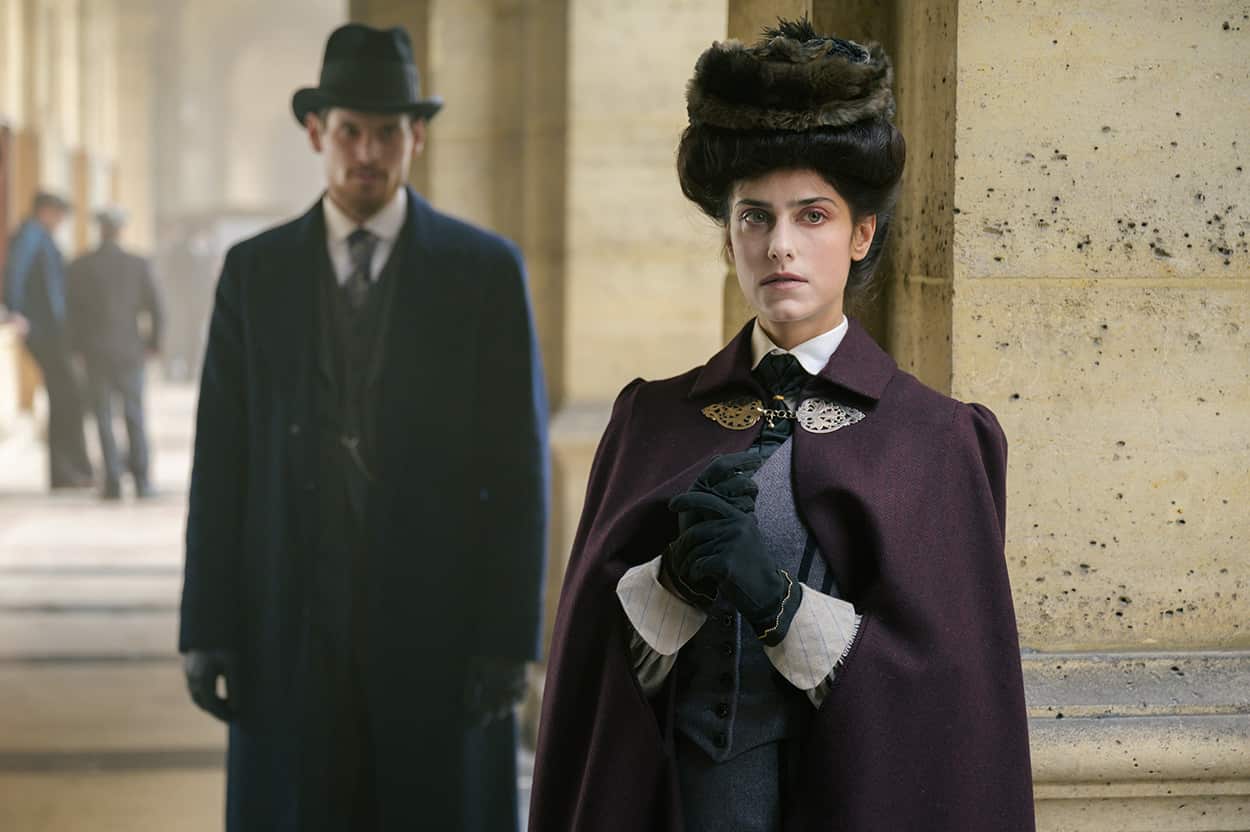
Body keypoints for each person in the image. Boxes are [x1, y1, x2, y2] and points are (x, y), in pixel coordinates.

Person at [530, 20, 1035, 831]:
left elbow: (944, 709)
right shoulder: (650, 421)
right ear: (728, 239)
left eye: (813, 216)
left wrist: (778, 602)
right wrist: (671, 593)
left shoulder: (938, 442)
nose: (781, 248)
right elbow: (592, 696)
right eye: (754, 218)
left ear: (861, 233)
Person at [178, 23, 548, 832]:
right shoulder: (255, 273)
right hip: (288, 624)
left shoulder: (482, 273)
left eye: (388, 132)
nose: (368, 153)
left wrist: (508, 638)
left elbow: (518, 468)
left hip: (438, 629)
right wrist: (206, 627)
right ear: (317, 133)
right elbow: (222, 462)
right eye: (351, 131)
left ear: (417, 137)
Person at [67, 206, 163, 500]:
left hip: (96, 352)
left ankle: (112, 482)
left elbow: (71, 314)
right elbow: (157, 308)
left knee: (104, 417)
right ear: (121, 230)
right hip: (130, 350)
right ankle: (143, 481)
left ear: (101, 229)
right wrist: (153, 344)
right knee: (134, 415)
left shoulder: (81, 266)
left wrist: (76, 349)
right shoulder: (138, 264)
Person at [2, 191, 94, 490]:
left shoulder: (39, 236)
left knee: (65, 396)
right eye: (59, 215)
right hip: (46, 331)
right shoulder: (31, 234)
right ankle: (70, 471)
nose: (61, 222)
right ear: (46, 211)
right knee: (68, 395)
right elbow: (15, 271)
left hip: (52, 330)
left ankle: (68, 472)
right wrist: (15, 311)